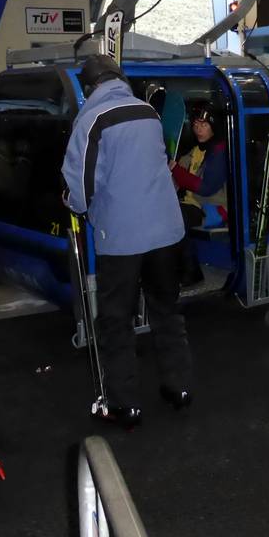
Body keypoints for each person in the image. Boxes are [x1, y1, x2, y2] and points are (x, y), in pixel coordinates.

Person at [62, 55, 193, 429]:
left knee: (116, 320)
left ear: (90, 86)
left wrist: (72, 202)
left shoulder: (92, 119)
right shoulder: (147, 112)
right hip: (166, 231)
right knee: (166, 311)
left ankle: (124, 404)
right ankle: (179, 387)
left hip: (122, 238)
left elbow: (82, 184)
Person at [169, 101, 228, 285]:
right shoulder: (193, 151)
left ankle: (192, 271)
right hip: (190, 203)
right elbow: (175, 179)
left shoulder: (219, 152)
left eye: (204, 125)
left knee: (175, 219)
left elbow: (206, 188)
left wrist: (176, 170)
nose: (198, 129)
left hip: (211, 207)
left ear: (213, 127)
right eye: (195, 125)